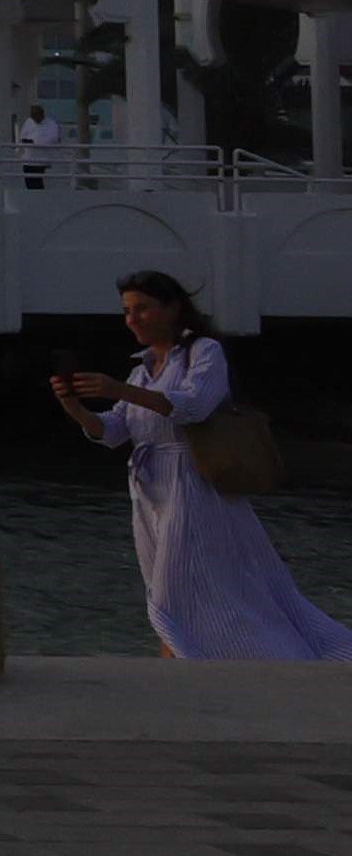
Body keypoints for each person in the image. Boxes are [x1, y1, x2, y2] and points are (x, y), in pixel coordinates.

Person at [54, 270, 352, 660]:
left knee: (172, 589)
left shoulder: (202, 352)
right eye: (127, 311)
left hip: (192, 485)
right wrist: (74, 406)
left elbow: (194, 405)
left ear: (173, 308)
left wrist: (119, 390)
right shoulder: (142, 369)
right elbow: (113, 430)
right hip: (150, 494)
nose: (132, 319)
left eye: (142, 308)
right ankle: (187, 660)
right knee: (169, 585)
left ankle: (200, 662)